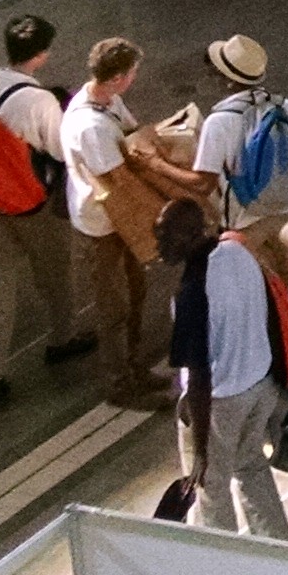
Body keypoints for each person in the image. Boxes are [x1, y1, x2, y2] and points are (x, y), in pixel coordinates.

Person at [65, 39, 209, 406]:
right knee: (114, 308)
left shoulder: (107, 102)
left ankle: (134, 368)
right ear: (117, 77)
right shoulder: (90, 126)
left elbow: (133, 133)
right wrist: (166, 203)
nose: (134, 78)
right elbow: (120, 180)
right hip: (102, 227)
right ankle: (119, 384)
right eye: (132, 72)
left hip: (119, 222)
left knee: (135, 294)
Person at [0, 15, 91, 408]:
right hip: (29, 203)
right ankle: (62, 339)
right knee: (55, 272)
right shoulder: (41, 100)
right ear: (42, 54)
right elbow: (60, 151)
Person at [163, 200, 288, 543]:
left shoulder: (192, 292)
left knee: (211, 486)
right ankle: (280, 546)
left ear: (189, 236)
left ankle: (220, 555)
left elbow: (199, 375)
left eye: (166, 236)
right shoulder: (239, 253)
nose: (159, 245)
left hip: (223, 401)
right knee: (251, 465)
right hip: (261, 384)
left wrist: (201, 451)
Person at [189, 34, 288, 232]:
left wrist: (155, 163)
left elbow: (203, 185)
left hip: (246, 224)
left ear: (229, 81)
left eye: (216, 73)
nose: (213, 77)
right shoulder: (285, 106)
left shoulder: (219, 121)